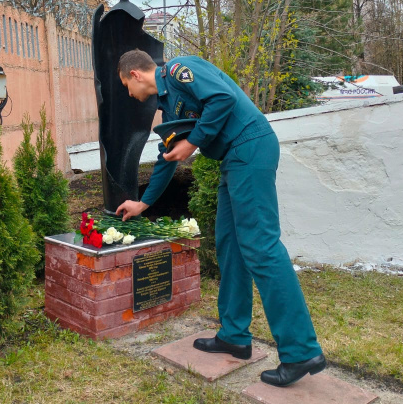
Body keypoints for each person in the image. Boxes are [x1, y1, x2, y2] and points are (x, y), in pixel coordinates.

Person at [115, 49, 325, 388]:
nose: (129, 93)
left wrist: (194, 142)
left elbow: (223, 98)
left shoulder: (181, 70)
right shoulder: (168, 104)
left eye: (126, 85)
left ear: (135, 75)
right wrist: (142, 204)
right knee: (231, 246)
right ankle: (234, 336)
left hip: (251, 147)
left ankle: (301, 350)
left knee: (261, 247)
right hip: (234, 159)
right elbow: (169, 157)